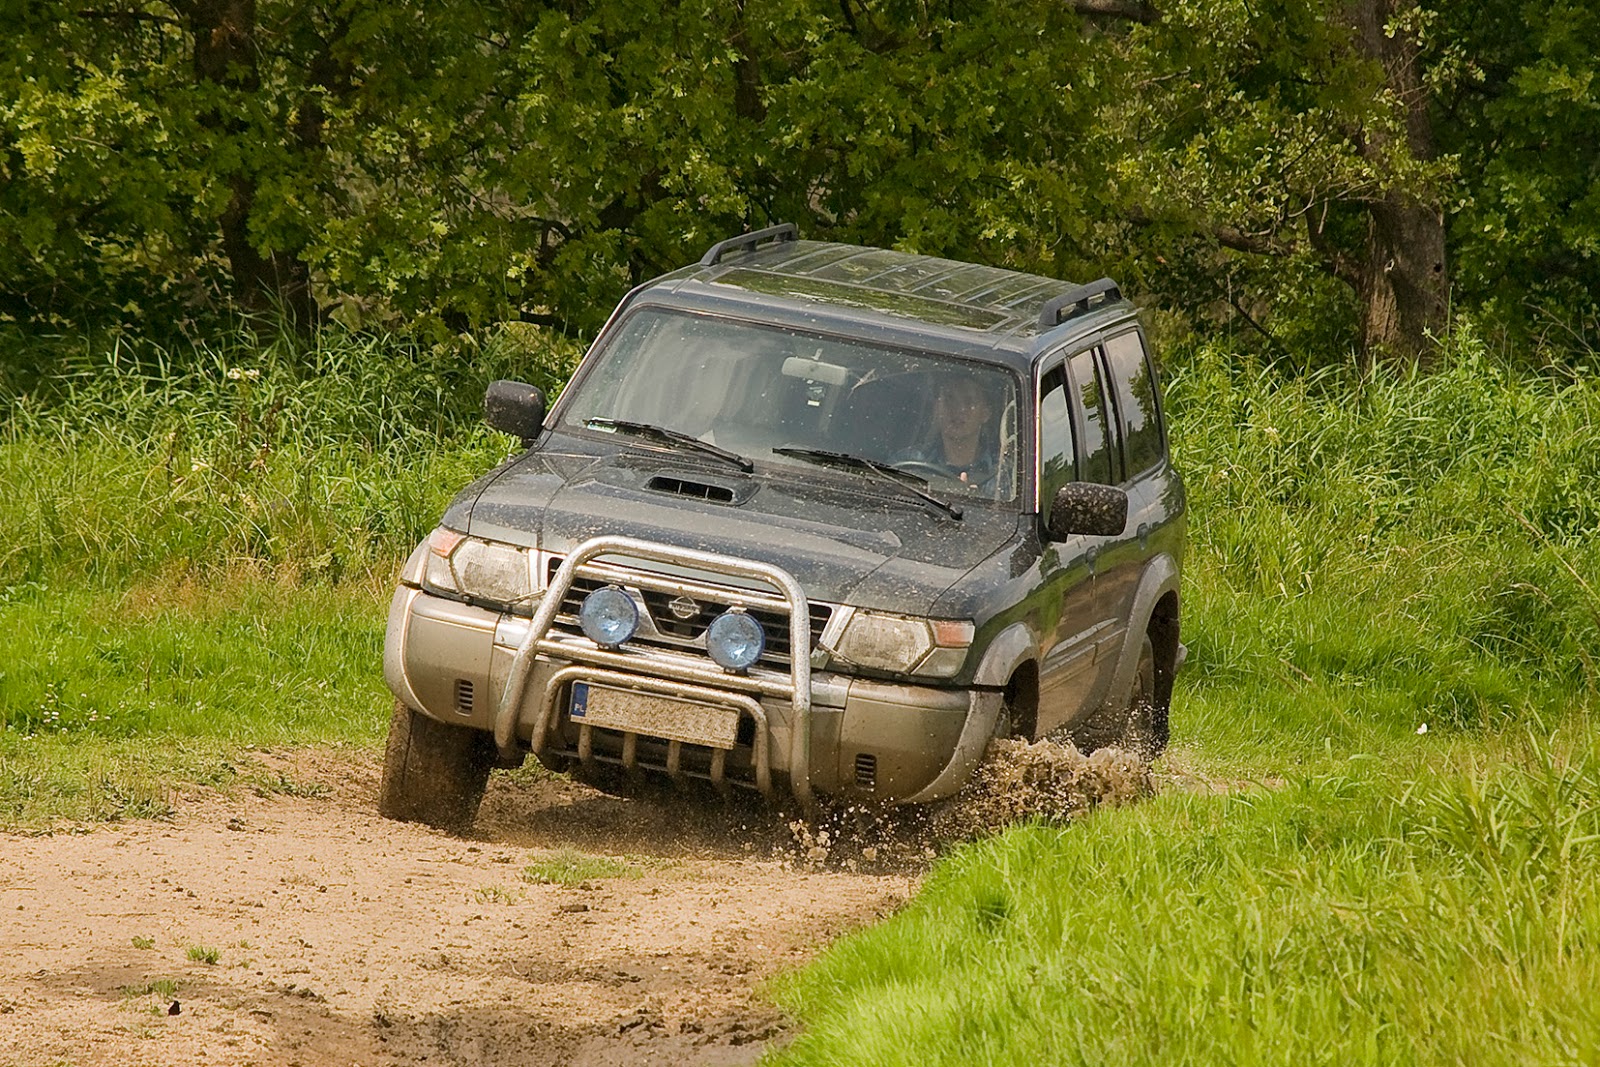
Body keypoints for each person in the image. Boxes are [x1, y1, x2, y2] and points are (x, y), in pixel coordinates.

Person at [899, 375, 999, 489]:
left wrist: (974, 503)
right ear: (937, 408)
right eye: (949, 399)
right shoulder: (908, 464)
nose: (958, 409)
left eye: (969, 402)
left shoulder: (1001, 475)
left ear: (985, 414)